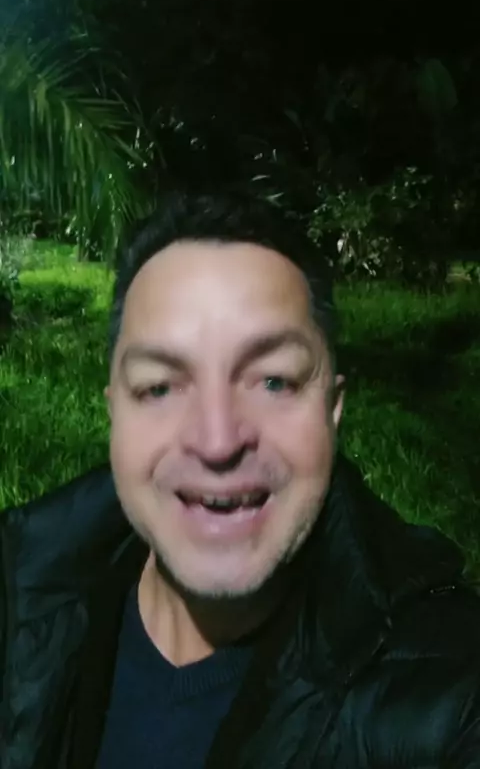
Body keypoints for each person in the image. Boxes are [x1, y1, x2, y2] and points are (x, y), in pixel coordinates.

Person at [1, 191, 479, 769]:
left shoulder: (448, 691)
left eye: (274, 382)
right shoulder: (17, 587)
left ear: (333, 409)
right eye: (159, 387)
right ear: (115, 414)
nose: (218, 440)